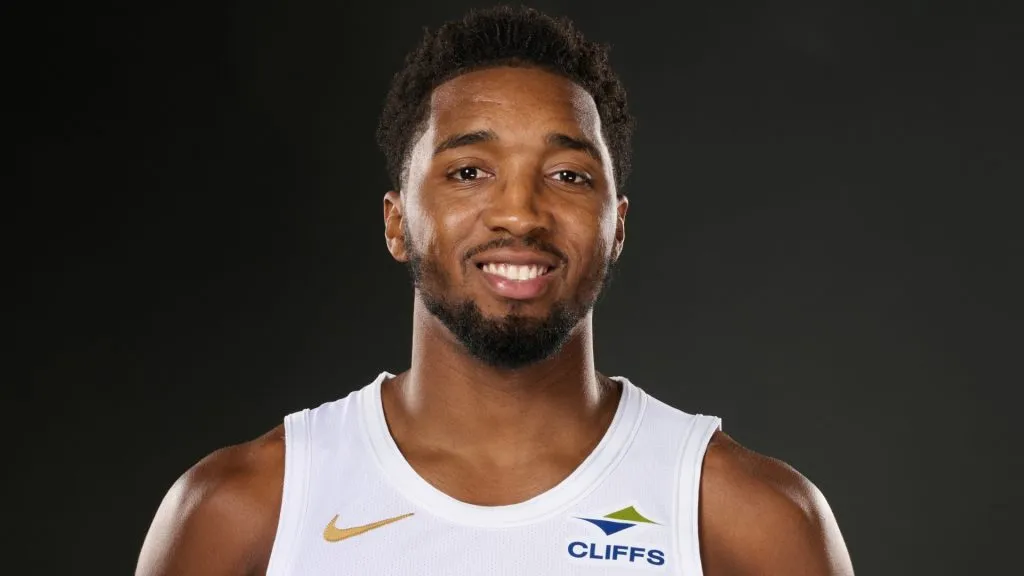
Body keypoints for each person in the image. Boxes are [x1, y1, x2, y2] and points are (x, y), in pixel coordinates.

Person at [137, 5, 854, 575]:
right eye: (469, 172)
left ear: (617, 227)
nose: (519, 213)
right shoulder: (244, 509)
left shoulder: (750, 519)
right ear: (396, 222)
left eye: (568, 175)